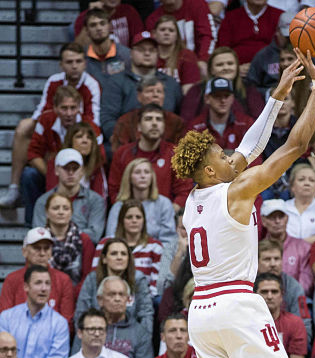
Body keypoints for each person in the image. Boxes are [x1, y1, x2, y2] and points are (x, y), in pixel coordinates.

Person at [172, 51, 315, 358]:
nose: (230, 157)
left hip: (201, 313)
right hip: (236, 303)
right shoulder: (236, 191)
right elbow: (297, 145)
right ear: (210, 171)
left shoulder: (192, 200)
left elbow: (247, 148)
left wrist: (276, 96)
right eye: (222, 157)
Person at [0, 43, 102, 209]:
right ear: (61, 65)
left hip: (79, 143)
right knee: (24, 129)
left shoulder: (91, 85)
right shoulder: (54, 82)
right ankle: (14, 189)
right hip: (54, 141)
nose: (74, 66)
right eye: (69, 62)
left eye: (78, 61)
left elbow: (93, 122)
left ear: (85, 63)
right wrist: (53, 170)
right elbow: (42, 112)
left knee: (86, 139)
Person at [99, 32, 182, 141]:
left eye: (152, 50)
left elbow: (180, 117)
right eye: (141, 49)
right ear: (131, 53)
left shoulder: (171, 84)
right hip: (127, 143)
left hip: (165, 146)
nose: (147, 53)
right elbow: (108, 118)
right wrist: (122, 142)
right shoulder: (116, 81)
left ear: (158, 53)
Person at [109, 104, 193, 208]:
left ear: (164, 126)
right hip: (130, 217)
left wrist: (167, 214)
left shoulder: (175, 154)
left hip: (165, 217)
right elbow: (115, 190)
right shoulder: (122, 153)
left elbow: (184, 191)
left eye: (159, 119)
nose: (154, 123)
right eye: (148, 119)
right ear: (139, 126)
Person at [0, 266, 68, 358]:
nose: (44, 288)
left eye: (47, 284)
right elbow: (3, 356)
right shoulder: (7, 317)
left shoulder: (59, 324)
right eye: (38, 283)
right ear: (26, 287)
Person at [75, 238, 153, 335]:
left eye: (123, 254)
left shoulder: (138, 279)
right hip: (97, 333)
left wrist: (143, 339)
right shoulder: (92, 279)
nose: (119, 257)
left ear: (129, 258)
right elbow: (81, 313)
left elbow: (146, 314)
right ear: (104, 259)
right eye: (114, 253)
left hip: (130, 335)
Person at [31, 147, 106, 243]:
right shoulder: (43, 201)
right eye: (66, 168)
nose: (71, 173)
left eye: (75, 168)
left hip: (84, 251)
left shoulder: (95, 200)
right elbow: (39, 235)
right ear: (56, 170)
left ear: (82, 171)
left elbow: (95, 235)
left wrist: (60, 234)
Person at [0, 227, 75, 322]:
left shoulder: (63, 280)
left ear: (51, 252)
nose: (42, 253)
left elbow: (66, 321)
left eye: (46, 248)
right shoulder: (12, 279)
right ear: (24, 252)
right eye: (36, 248)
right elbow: (5, 319)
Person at [91, 200, 163, 298]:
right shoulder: (104, 244)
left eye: (138, 217)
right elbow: (96, 275)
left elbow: (156, 284)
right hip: (108, 295)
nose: (134, 220)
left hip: (143, 296)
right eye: (129, 217)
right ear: (121, 220)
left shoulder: (156, 247)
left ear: (144, 221)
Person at [179, 47, 265, 124]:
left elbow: (260, 121)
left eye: (230, 63)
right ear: (211, 70)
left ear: (237, 67)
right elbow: (186, 122)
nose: (226, 68)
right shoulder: (197, 90)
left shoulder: (249, 89)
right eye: (219, 65)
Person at [106, 158, 178, 246]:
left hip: (157, 255)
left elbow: (169, 241)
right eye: (137, 172)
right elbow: (110, 238)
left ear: (152, 177)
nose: (143, 176)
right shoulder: (118, 207)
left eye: (147, 172)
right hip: (124, 255)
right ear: (129, 177)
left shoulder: (164, 204)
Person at [110, 77, 185, 153]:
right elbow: (119, 153)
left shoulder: (176, 122)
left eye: (159, 92)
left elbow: (181, 154)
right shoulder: (126, 121)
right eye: (150, 91)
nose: (155, 95)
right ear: (139, 96)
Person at [185, 78, 255, 152]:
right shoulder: (194, 128)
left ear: (232, 98)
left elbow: (255, 156)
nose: (223, 100)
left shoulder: (246, 123)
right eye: (217, 96)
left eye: (226, 96)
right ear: (207, 98)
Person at [253, 273, 307, 358]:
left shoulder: (295, 323)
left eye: (274, 292)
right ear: (255, 295)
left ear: (282, 295)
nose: (269, 296)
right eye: (264, 292)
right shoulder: (245, 324)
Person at [260, 199, 313, 295]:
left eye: (281, 216)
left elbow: (306, 283)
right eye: (272, 217)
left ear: (287, 218)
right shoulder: (256, 249)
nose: (277, 221)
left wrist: (282, 296)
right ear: (263, 221)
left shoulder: (304, 247)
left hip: (294, 298)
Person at [216, 0, 282, 69]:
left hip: (270, 71)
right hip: (238, 71)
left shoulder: (279, 16)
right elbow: (223, 49)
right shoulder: (230, 17)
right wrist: (236, 69)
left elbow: (284, 50)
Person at [144, 0, 214, 63]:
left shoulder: (197, 5)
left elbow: (208, 35)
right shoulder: (152, 20)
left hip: (198, 62)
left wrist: (203, 60)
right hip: (166, 67)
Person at [152, 15, 201, 94]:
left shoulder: (187, 56)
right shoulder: (149, 56)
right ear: (154, 34)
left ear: (177, 36)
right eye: (162, 30)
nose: (166, 33)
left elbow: (189, 93)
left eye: (171, 30)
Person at [284, 164, 315, 240]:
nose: (307, 183)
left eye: (311, 180)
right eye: (301, 179)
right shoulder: (283, 207)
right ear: (292, 186)